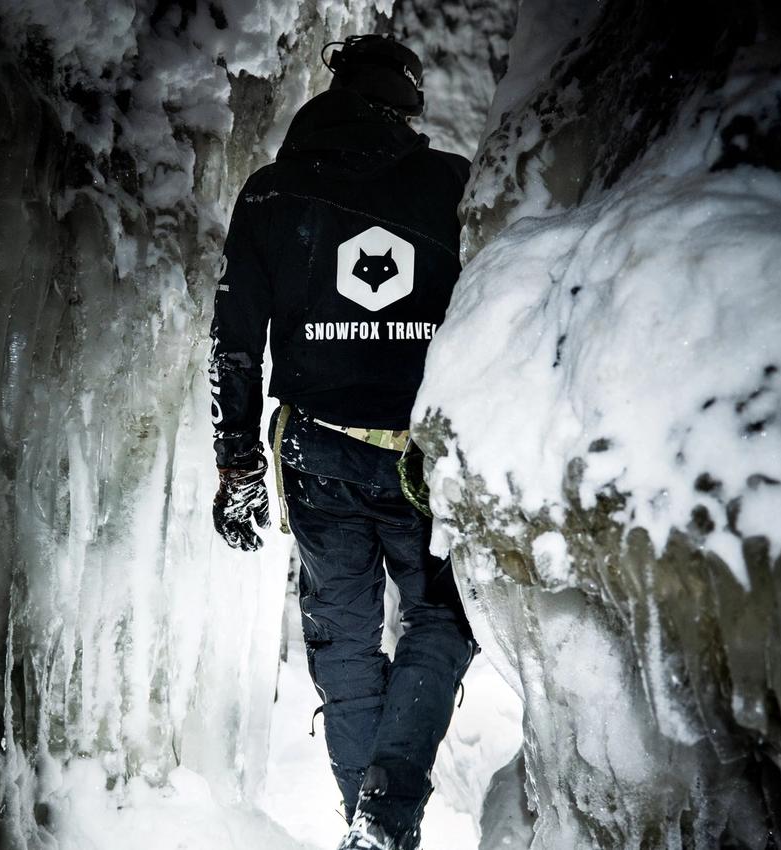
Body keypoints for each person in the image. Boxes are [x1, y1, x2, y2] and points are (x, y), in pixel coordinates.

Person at [208, 34, 479, 850]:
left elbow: (234, 341)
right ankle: (388, 816)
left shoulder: (269, 194)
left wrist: (237, 462)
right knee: (445, 612)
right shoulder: (451, 187)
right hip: (420, 457)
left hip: (314, 451)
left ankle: (366, 825)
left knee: (344, 636)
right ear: (407, 105)